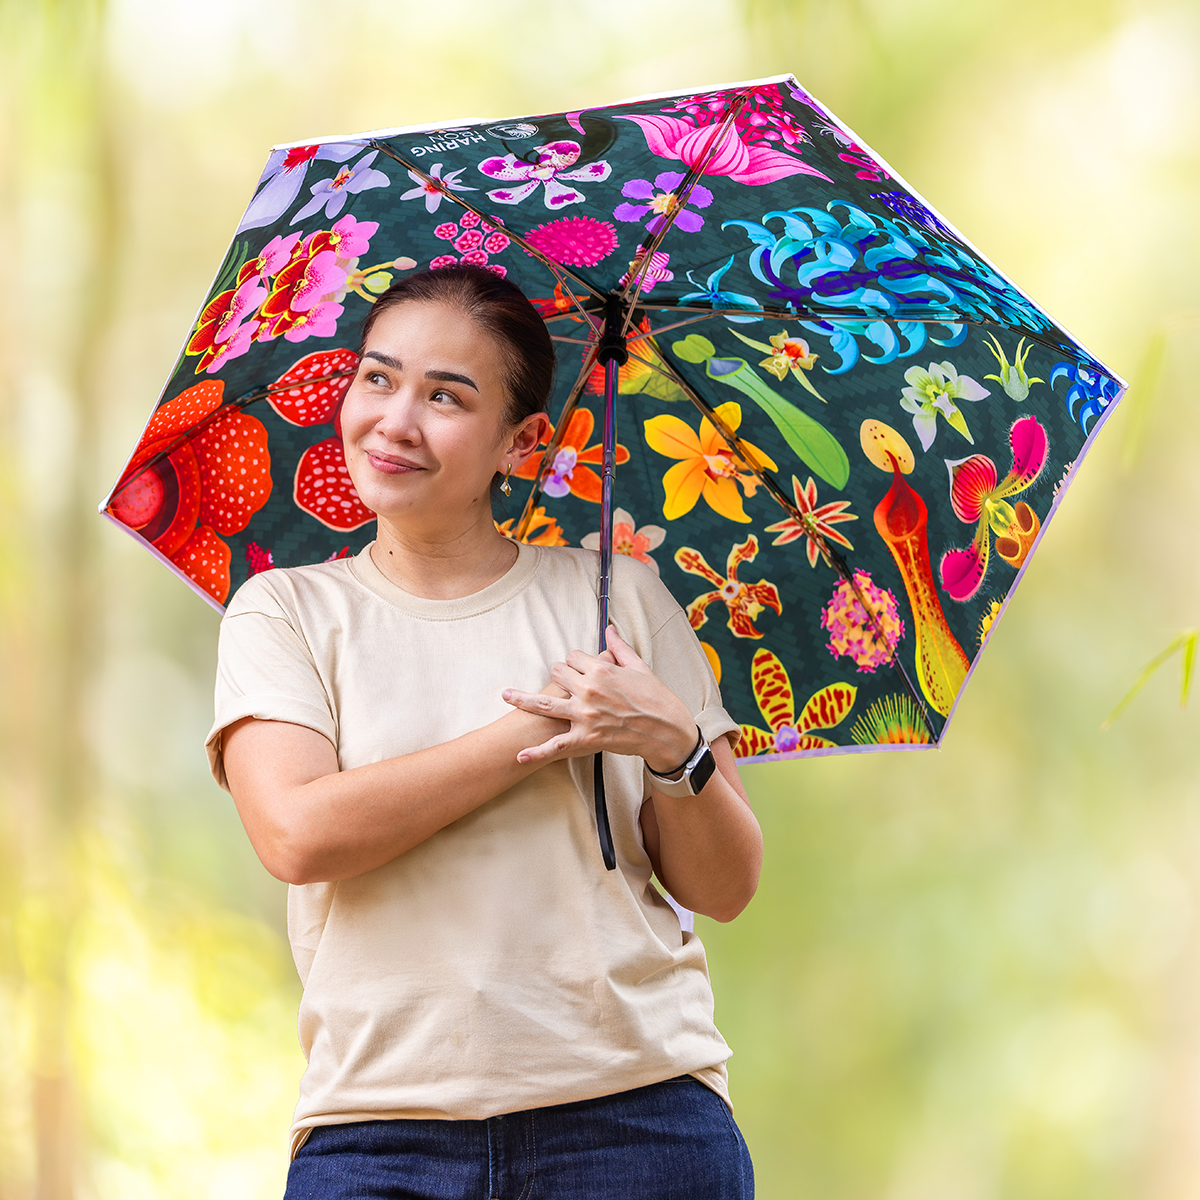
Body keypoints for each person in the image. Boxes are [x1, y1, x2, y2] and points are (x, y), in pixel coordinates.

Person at [206, 264, 763, 1199]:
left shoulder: (615, 600)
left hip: (636, 1120)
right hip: (378, 1133)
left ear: (522, 442)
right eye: (378, 378)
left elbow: (727, 885)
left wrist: (674, 745)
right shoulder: (285, 612)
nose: (394, 420)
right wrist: (541, 729)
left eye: (446, 397)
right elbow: (298, 833)